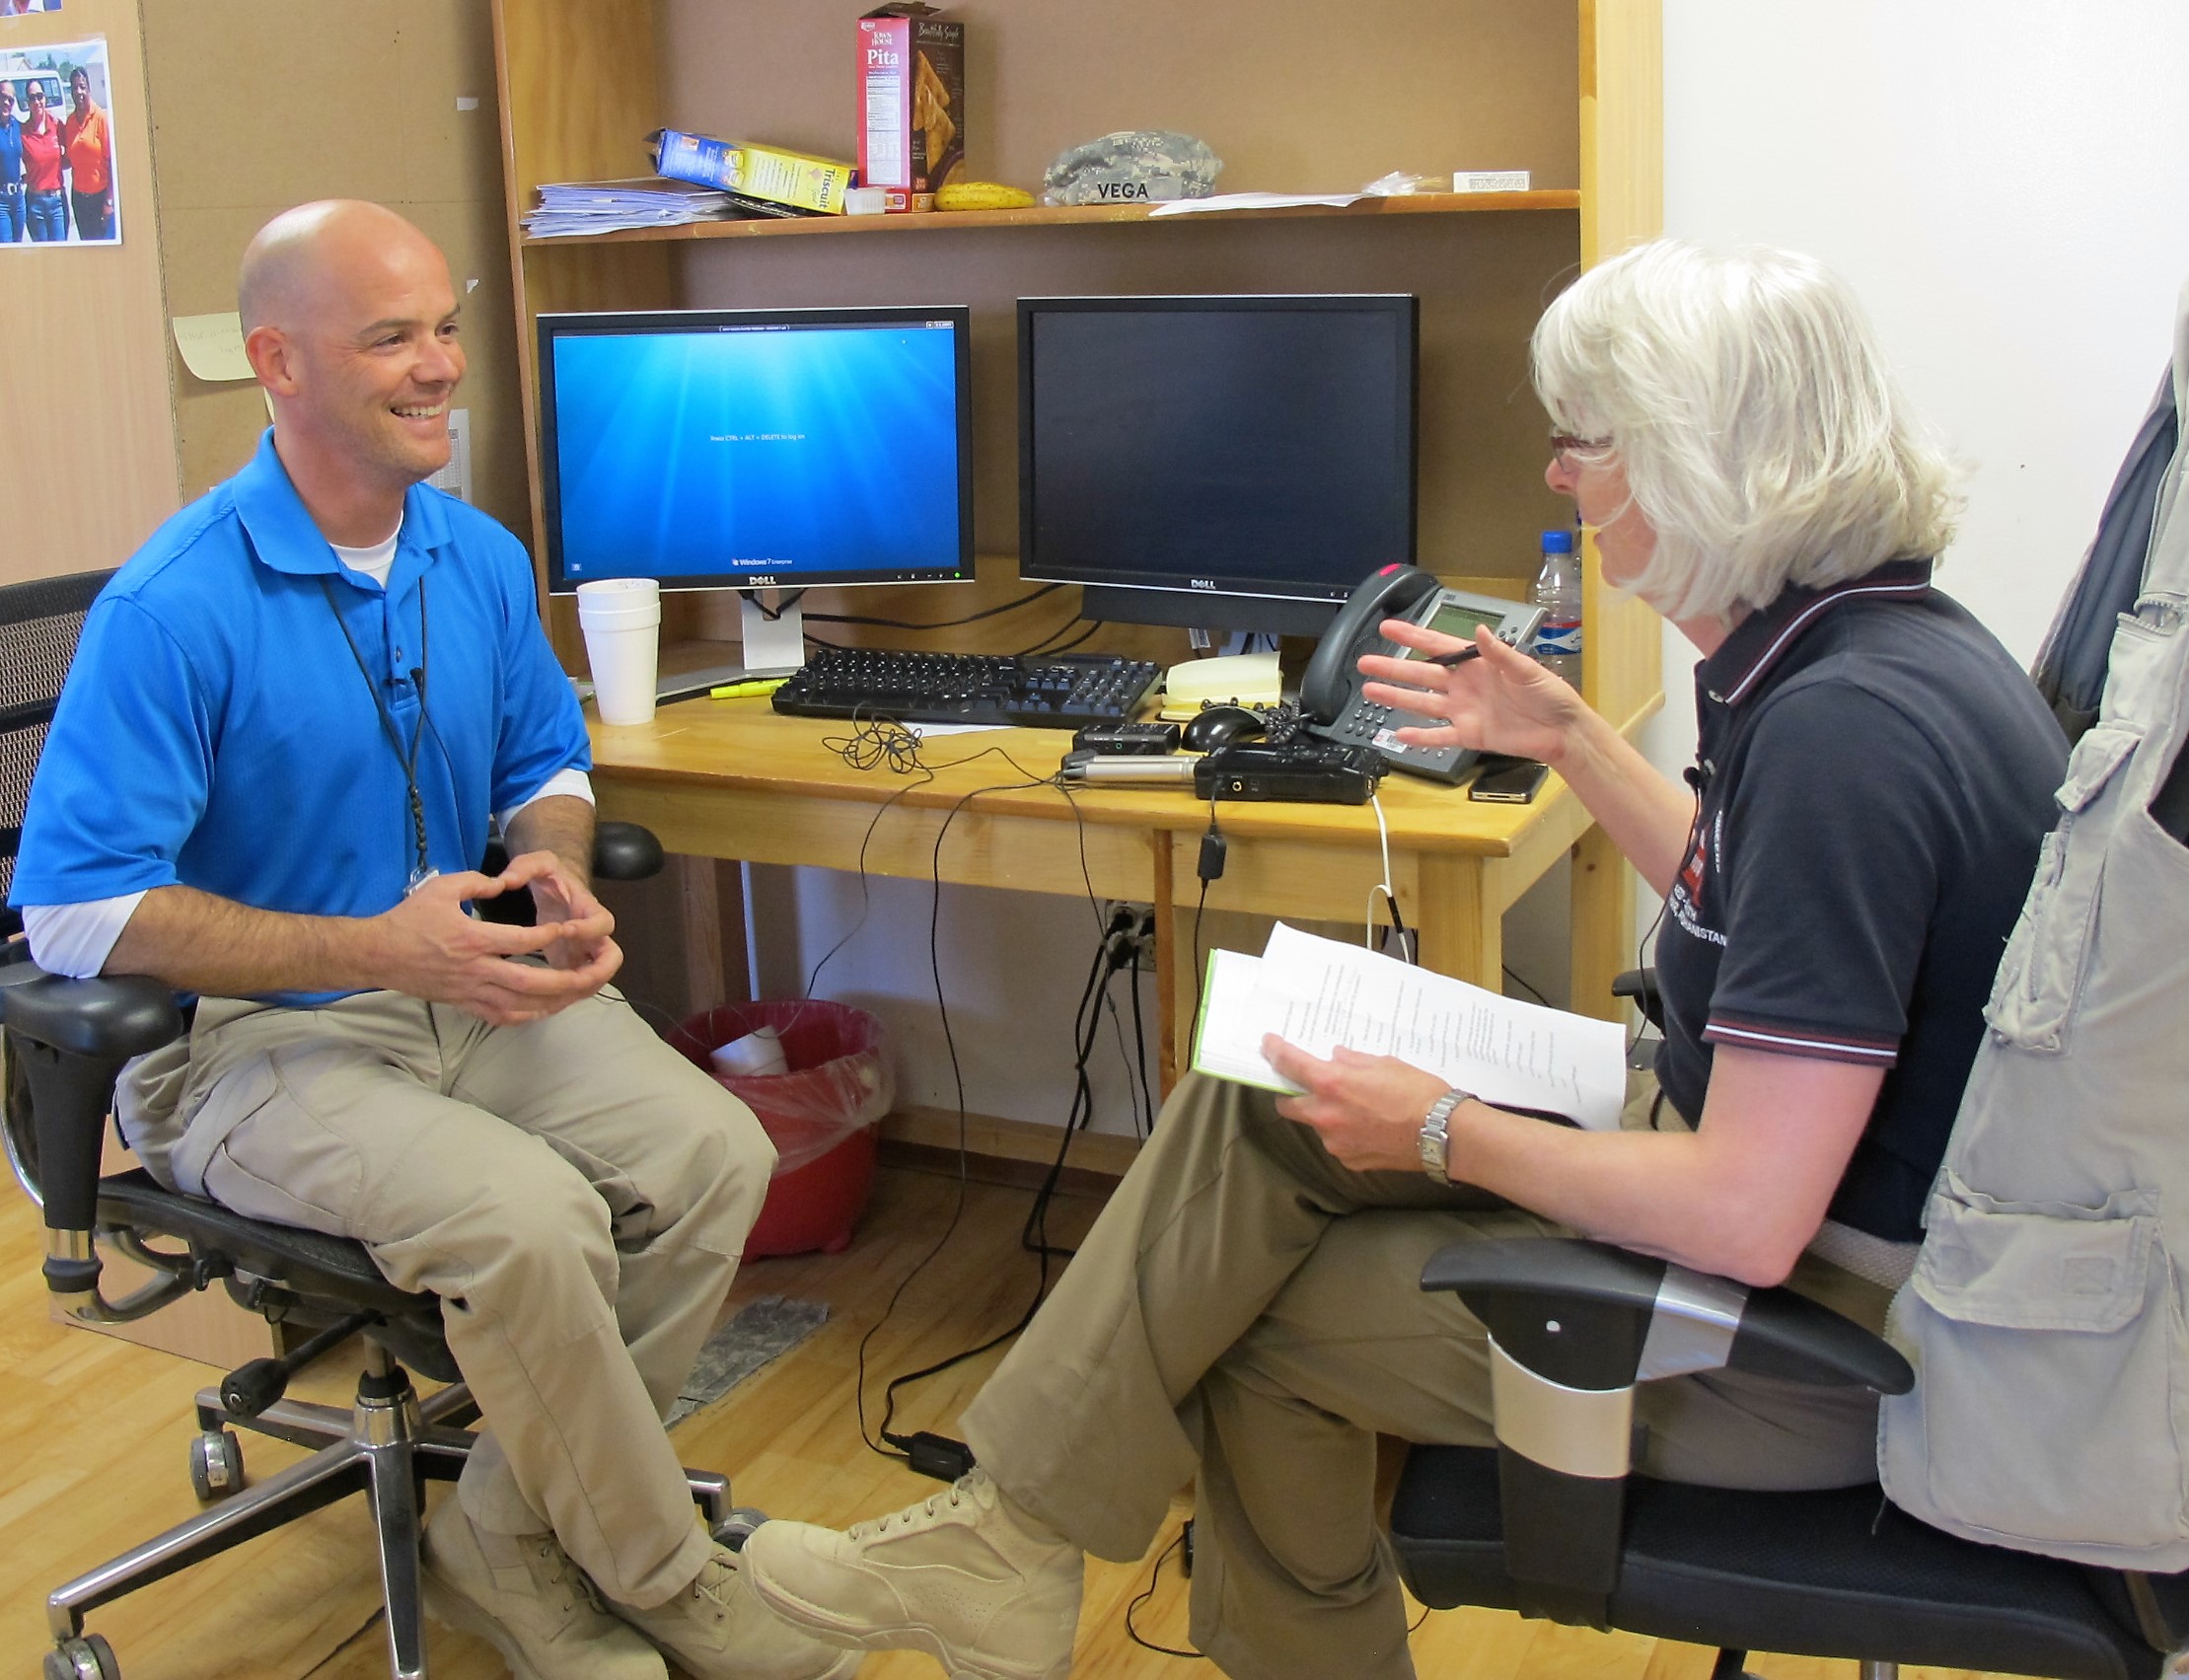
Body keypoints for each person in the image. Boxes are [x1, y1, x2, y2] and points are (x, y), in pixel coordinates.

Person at [737, 239, 2072, 1680]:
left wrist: (1438, 1124)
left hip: (1831, 1336)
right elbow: (1767, 908)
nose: (1558, 476)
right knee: (1270, 1072)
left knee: (1242, 1323)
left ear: (1698, 456)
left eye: (1585, 442)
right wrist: (1565, 737)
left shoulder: (1841, 737)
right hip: (1811, 1218)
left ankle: (1032, 1557)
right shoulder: (1875, 651)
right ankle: (1003, 1532)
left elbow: (1747, 1212)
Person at [10, 200, 855, 1680]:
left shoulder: (470, 555)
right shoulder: (174, 602)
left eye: (443, 327)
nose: (438, 368)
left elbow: (551, 761)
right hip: (241, 1045)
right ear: (277, 361)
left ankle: (508, 1539)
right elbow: (75, 907)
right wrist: (380, 946)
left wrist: (549, 872)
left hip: (468, 987)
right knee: (532, 1221)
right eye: (389, 336)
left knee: (715, 1153)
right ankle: (658, 1568)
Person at [61, 65, 112, 242]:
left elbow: (112, 162)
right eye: (75, 87)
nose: (79, 91)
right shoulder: (70, 122)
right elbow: (69, 159)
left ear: (89, 88)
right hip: (79, 200)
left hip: (100, 199)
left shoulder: (101, 118)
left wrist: (109, 202)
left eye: (82, 86)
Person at [19, 77, 65, 241]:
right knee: (43, 257)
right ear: (27, 102)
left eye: (40, 96)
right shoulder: (22, 132)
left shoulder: (57, 126)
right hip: (34, 203)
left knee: (61, 256)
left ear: (45, 98)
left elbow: (70, 157)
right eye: (32, 98)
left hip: (57, 203)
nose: (37, 101)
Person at [0, 81, 25, 243]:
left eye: (11, 99)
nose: (6, 102)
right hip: (1, 202)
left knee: (18, 248)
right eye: (3, 97)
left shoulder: (18, 126)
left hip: (18, 199)